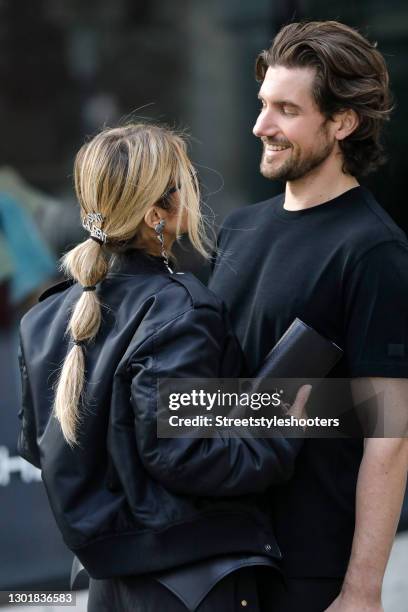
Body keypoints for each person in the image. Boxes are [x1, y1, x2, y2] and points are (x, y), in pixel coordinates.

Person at [17, 123, 310, 611]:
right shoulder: (182, 309)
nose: (196, 188)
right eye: (186, 179)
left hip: (109, 586)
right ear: (156, 213)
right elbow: (185, 454)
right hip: (195, 583)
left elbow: (39, 446)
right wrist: (283, 432)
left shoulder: (43, 316)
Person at [209, 20, 408, 612]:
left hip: (308, 570)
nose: (260, 126)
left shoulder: (374, 251)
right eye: (263, 105)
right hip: (221, 553)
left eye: (286, 110)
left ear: (342, 123)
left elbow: (390, 435)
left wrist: (362, 590)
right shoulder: (239, 228)